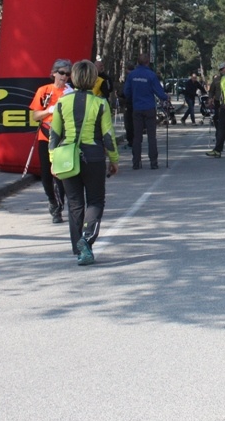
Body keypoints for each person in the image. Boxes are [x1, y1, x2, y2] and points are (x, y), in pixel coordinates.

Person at [49, 60, 119, 265]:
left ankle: (78, 248)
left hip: (67, 157)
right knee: (95, 201)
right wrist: (114, 160)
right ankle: (87, 240)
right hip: (93, 156)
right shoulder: (100, 103)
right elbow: (108, 136)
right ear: (93, 79)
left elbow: (54, 134)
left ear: (74, 78)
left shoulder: (62, 102)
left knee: (75, 204)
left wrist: (53, 159)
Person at [29, 58, 73, 223]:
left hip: (63, 136)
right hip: (45, 135)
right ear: (54, 73)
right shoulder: (44, 91)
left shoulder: (70, 92)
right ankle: (52, 201)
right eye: (61, 73)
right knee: (46, 174)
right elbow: (35, 116)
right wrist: (49, 110)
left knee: (61, 173)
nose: (64, 77)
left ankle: (59, 208)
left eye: (67, 74)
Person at [123, 54, 168, 169]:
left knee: (137, 137)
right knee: (151, 137)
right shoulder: (151, 75)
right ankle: (153, 162)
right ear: (148, 62)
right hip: (149, 108)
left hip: (137, 108)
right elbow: (159, 92)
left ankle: (136, 162)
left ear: (137, 62)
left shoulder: (132, 75)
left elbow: (126, 92)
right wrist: (165, 97)